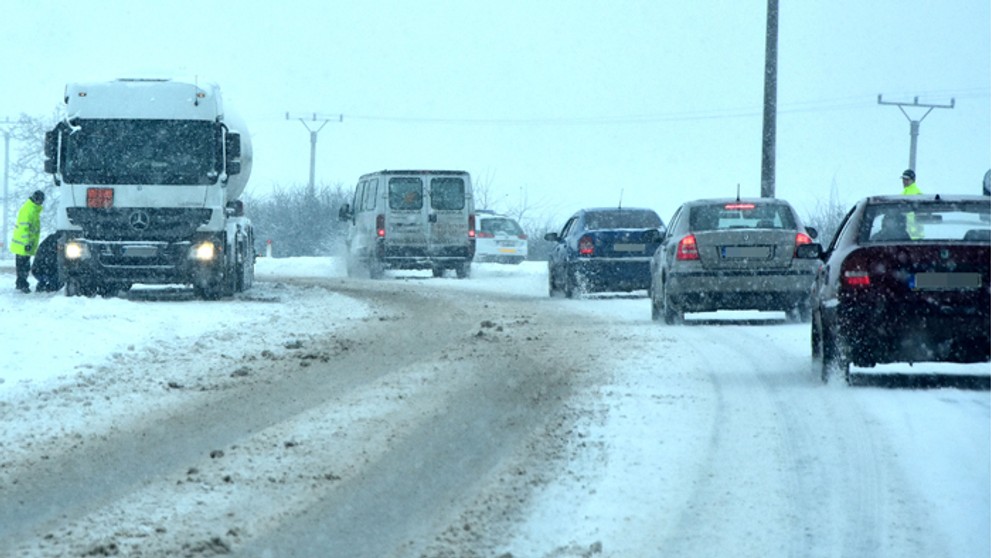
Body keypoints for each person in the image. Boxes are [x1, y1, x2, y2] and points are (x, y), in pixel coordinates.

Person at [9, 190, 45, 293]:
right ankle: (22, 285)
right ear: (36, 199)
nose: (41, 202)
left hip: (24, 244)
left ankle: (21, 284)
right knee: (23, 266)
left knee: (23, 265)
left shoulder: (32, 209)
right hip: (23, 244)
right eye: (40, 200)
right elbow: (24, 229)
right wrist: (27, 243)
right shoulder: (29, 210)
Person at [899, 169, 923, 239]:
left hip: (914, 234)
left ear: (913, 180)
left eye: (907, 179)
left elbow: (920, 213)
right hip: (906, 232)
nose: (904, 181)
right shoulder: (904, 192)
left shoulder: (916, 193)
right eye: (903, 179)